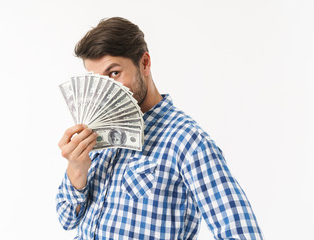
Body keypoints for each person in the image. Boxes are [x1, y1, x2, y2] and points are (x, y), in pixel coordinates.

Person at [56, 17, 263, 239]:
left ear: (144, 63)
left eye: (114, 73)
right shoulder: (99, 133)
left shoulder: (187, 141)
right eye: (98, 80)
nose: (106, 91)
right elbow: (67, 220)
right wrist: (77, 170)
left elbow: (243, 233)